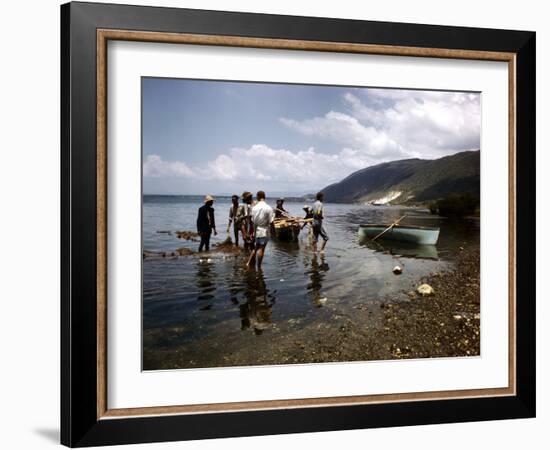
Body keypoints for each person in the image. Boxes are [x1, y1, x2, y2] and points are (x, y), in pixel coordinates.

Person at [247, 191, 275, 269]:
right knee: (262, 248)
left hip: (256, 229)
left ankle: (248, 263)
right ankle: (259, 266)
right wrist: (274, 232)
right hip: (264, 229)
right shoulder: (268, 207)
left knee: (256, 247)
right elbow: (271, 222)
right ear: (264, 197)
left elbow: (251, 222)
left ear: (258, 197)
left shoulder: (254, 208)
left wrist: (251, 232)